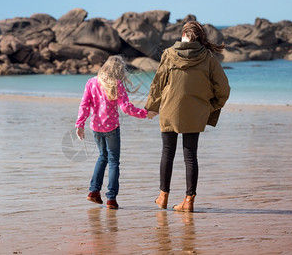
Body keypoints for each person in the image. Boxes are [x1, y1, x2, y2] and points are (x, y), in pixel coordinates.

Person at [145, 21, 230, 212]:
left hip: (169, 110)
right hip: (195, 112)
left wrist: (152, 106)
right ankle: (189, 200)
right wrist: (211, 108)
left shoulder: (168, 53)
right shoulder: (208, 57)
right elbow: (223, 88)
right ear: (199, 37)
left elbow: (158, 82)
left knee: (167, 153)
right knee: (190, 156)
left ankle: (163, 196)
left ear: (183, 34)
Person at [75, 55, 150, 209]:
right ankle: (111, 198)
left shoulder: (91, 82)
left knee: (103, 157)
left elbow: (84, 105)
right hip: (111, 128)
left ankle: (93, 192)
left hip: (96, 127)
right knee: (113, 161)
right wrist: (144, 113)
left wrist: (80, 124)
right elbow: (126, 108)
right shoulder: (117, 84)